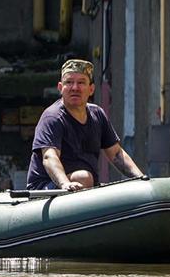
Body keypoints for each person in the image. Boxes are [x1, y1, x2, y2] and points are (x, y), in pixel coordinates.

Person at [26, 58, 144, 191]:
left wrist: (141, 179)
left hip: (84, 187)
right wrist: (65, 184)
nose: (75, 88)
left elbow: (116, 154)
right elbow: (49, 156)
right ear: (60, 88)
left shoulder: (97, 114)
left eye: (81, 82)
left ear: (91, 89)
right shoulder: (52, 117)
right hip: (47, 188)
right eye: (69, 82)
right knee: (83, 177)